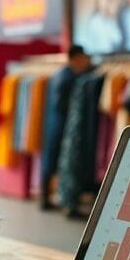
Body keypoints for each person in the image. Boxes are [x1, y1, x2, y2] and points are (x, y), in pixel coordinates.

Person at [41, 45, 92, 211]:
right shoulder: (71, 78)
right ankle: (67, 203)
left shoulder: (60, 74)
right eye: (84, 57)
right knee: (63, 161)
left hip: (54, 124)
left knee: (51, 160)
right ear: (76, 57)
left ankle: (47, 199)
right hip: (63, 126)